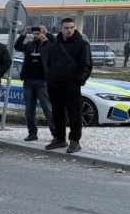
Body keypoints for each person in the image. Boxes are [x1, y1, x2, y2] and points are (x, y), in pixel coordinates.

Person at [41, 17, 92, 154]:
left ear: (74, 28)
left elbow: (86, 65)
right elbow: (49, 64)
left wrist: (78, 82)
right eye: (66, 28)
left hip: (72, 85)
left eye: (71, 27)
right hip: (55, 85)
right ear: (61, 29)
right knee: (57, 113)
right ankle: (59, 138)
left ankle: (75, 141)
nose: (69, 30)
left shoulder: (82, 44)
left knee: (74, 114)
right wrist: (50, 79)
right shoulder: (55, 45)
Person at [13, 25, 55, 142]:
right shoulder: (30, 45)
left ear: (43, 34)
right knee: (29, 110)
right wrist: (23, 35)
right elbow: (17, 46)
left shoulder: (49, 45)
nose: (36, 36)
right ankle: (32, 133)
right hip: (28, 81)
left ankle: (56, 135)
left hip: (43, 82)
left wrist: (47, 32)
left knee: (48, 109)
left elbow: (57, 43)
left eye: (38, 34)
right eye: (34, 34)